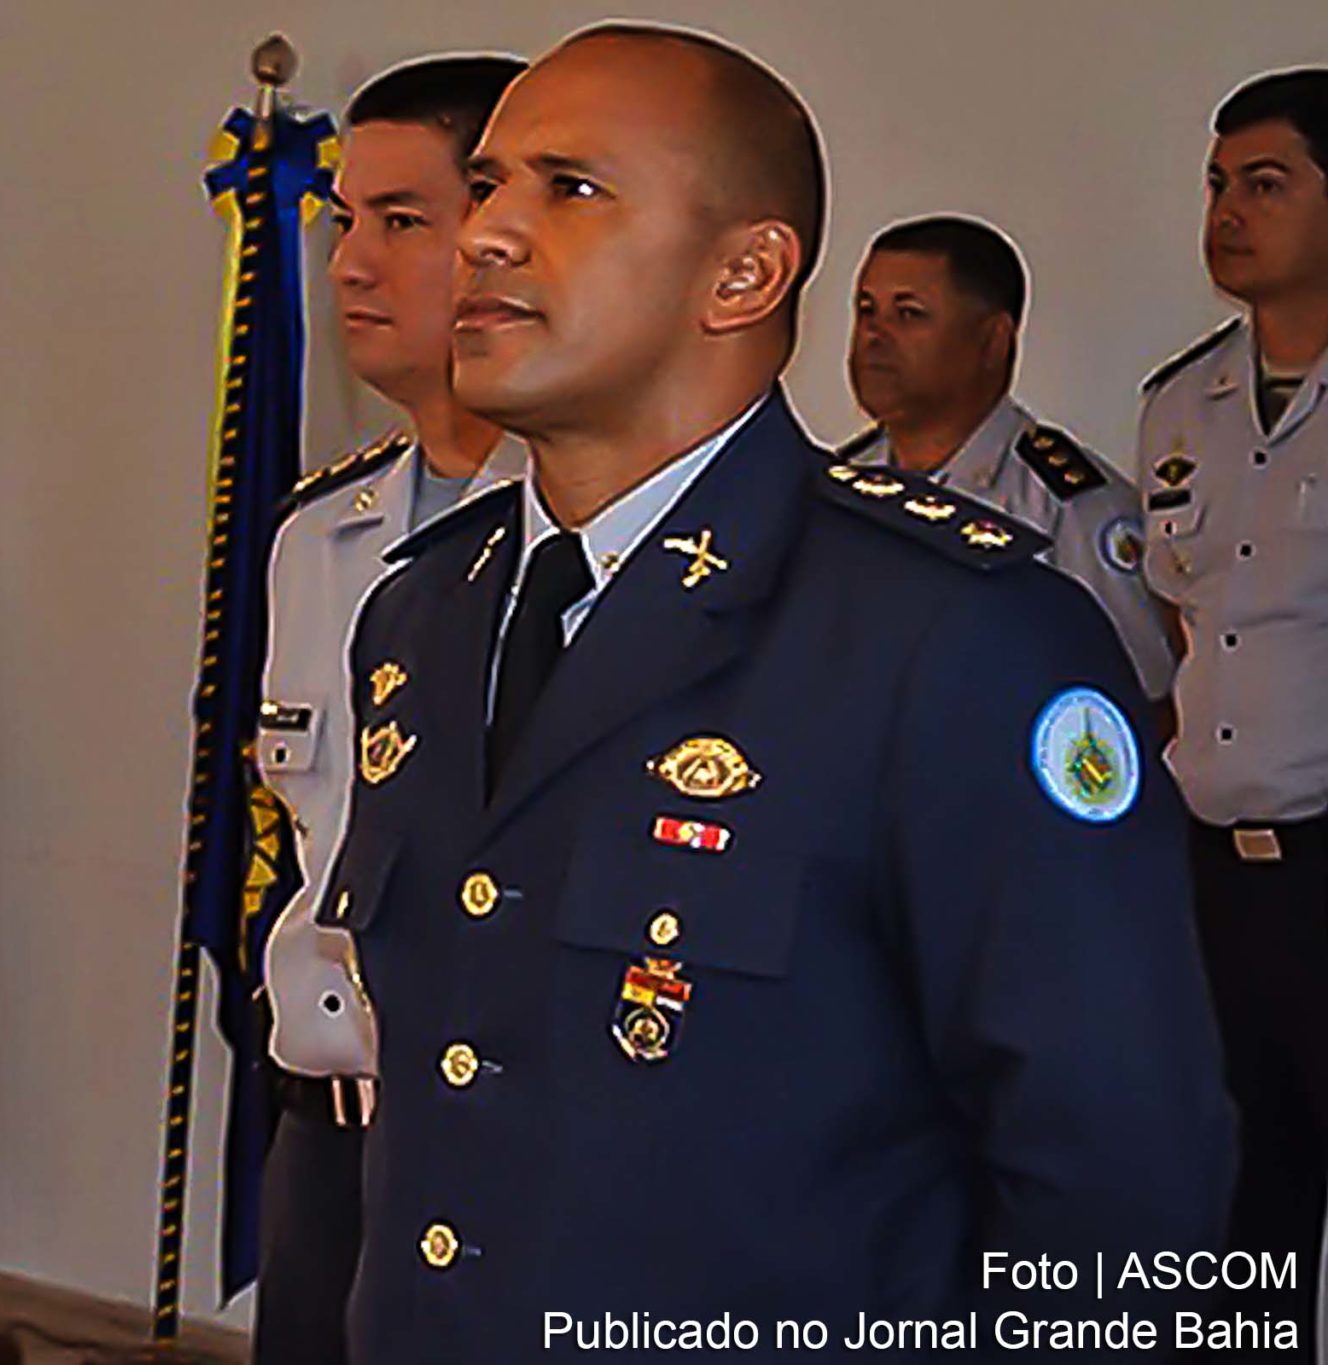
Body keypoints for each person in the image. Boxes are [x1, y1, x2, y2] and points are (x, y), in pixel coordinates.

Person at [315, 25, 1233, 1361]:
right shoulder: (423, 614)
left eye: (568, 190)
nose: (486, 236)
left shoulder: (955, 635)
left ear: (744, 272)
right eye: (492, 188)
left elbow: (1122, 1187)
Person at [254, 55, 526, 1365]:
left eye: (401, 223)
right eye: (343, 223)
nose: (350, 264)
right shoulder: (320, 534)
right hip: (321, 1136)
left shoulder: (594, 544)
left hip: (499, 1161)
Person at [1138, 67, 1328, 1343]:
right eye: (1217, 184)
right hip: (1216, 868)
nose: (1227, 211)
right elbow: (1175, 620)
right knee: (1231, 1192)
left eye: (1266, 184)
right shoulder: (1179, 402)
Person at [842, 215, 1175, 699]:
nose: (875, 335)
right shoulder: (836, 485)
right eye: (866, 310)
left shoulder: (1069, 508)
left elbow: (1144, 699)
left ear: (992, 341)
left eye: (908, 314)